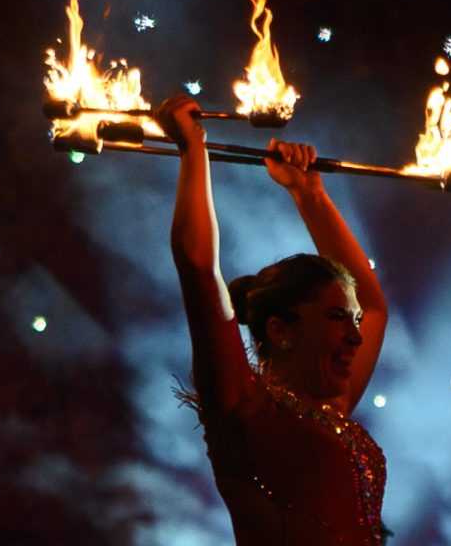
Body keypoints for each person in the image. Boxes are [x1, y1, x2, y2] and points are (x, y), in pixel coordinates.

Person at [157, 95, 390, 545]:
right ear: (281, 330)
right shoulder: (242, 403)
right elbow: (199, 267)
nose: (356, 336)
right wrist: (194, 150)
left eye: (353, 320)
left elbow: (375, 307)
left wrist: (310, 193)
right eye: (338, 317)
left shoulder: (332, 407)